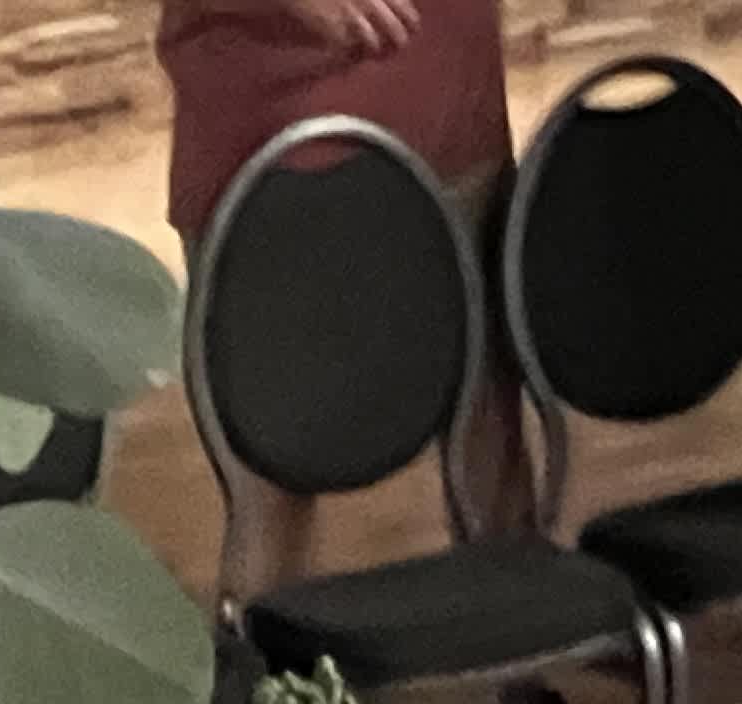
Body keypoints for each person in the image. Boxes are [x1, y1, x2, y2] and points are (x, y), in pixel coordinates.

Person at [157, 0, 543, 598]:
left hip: (452, 102)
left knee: (491, 430)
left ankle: (527, 647)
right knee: (275, 468)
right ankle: (261, 664)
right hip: (273, 119)